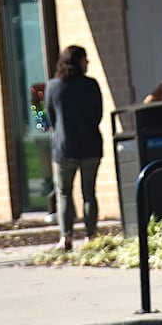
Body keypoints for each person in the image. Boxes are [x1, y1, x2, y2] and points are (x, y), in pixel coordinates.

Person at [45, 45, 104, 251]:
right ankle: (91, 236)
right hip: (90, 146)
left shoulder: (53, 87)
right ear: (77, 62)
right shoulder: (91, 85)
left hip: (64, 148)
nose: (87, 63)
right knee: (89, 193)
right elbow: (98, 114)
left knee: (64, 193)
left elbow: (50, 119)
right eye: (85, 59)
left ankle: (66, 237)